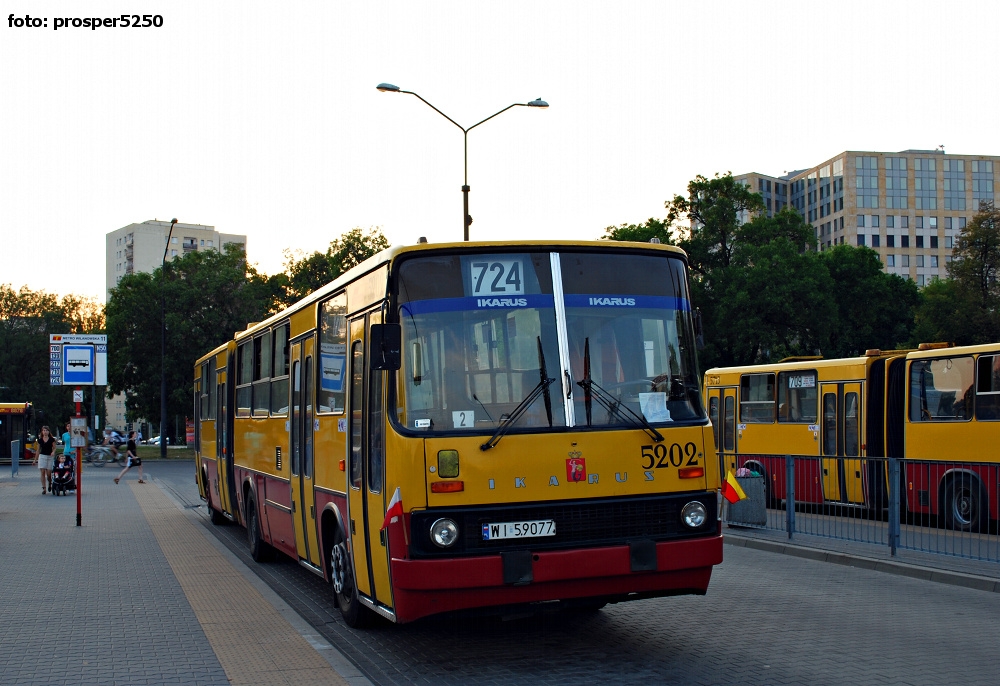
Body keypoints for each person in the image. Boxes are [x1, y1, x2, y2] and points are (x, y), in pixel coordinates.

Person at [33, 426, 56, 494]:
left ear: (49, 432)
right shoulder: (40, 440)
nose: (45, 432)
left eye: (46, 430)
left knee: (49, 473)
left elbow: (54, 448)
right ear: (42, 432)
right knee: (42, 472)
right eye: (44, 430)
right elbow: (38, 450)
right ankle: (44, 488)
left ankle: (50, 482)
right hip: (42, 456)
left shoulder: (52, 439)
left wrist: (53, 452)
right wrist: (35, 460)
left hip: (49, 456)